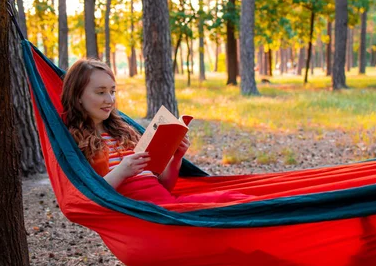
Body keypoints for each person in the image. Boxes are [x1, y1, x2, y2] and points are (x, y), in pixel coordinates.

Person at [60, 58, 250, 206]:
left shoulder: (126, 133)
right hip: (148, 214)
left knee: (235, 199)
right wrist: (122, 171)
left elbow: (163, 185)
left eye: (113, 91)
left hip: (167, 206)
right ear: (78, 97)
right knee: (229, 202)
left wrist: (176, 158)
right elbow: (90, 198)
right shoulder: (75, 142)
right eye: (100, 92)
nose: (110, 99)